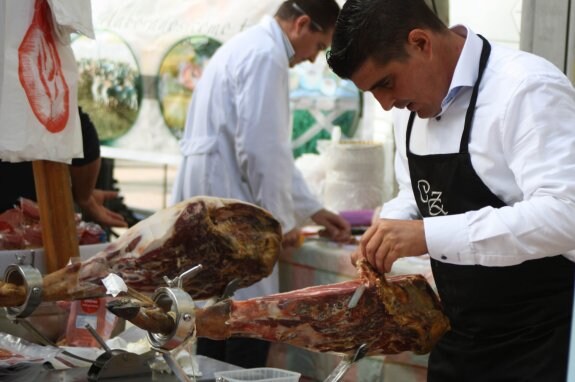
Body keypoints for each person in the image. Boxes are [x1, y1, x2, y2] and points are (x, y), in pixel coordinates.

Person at [327, 0, 575, 381]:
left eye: (386, 83)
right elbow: (416, 192)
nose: (387, 104)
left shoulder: (524, 88)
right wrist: (392, 224)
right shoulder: (410, 113)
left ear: (421, 43)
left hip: (538, 343)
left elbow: (565, 213)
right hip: (457, 338)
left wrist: (427, 234)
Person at [171, 0, 351, 368]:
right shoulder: (266, 55)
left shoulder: (248, 45)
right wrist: (277, 221)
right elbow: (262, 150)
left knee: (214, 312)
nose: (315, 59)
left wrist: (312, 209)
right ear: (302, 24)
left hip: (214, 192)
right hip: (228, 199)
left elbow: (271, 152)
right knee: (245, 314)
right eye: (319, 46)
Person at [0, 108, 127, 229]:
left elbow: (79, 132)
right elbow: (79, 132)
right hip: (27, 223)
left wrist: (80, 196)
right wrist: (84, 197)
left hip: (26, 225)